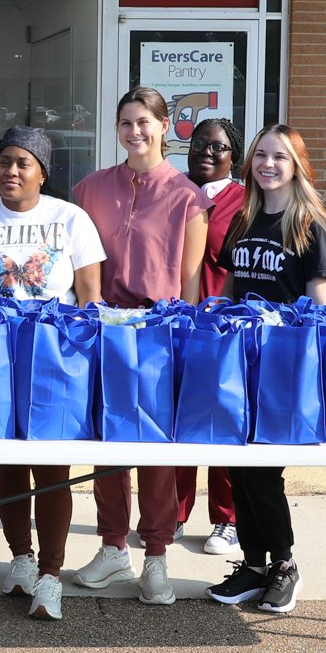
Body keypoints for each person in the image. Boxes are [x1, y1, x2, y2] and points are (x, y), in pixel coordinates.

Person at [0, 126, 105, 620]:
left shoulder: (71, 219)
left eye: (22, 163)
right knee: (7, 464)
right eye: (3, 162)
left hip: (55, 362)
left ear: (43, 172)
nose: (10, 171)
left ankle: (52, 577)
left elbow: (92, 300)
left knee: (52, 468)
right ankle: (20, 559)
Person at [72, 86, 211, 605]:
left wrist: (186, 343)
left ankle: (156, 556)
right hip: (104, 333)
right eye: (126, 122)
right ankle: (113, 548)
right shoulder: (88, 189)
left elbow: (191, 281)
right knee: (109, 447)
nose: (135, 132)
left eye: (144, 122)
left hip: (160, 335)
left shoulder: (188, 196)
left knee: (155, 453)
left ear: (163, 126)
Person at [207, 125, 326, 613]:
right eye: (261, 155)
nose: (268, 164)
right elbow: (229, 288)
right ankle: (254, 564)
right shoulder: (243, 219)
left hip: (283, 364)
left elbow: (318, 302)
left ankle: (284, 565)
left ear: (296, 165)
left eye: (279, 157)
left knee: (262, 471)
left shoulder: (309, 227)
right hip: (238, 360)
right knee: (238, 467)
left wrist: (319, 369)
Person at [175, 118, 246, 554]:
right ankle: (173, 514)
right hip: (177, 325)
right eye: (198, 142)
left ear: (232, 155)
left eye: (217, 146)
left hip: (222, 328)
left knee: (221, 421)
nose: (206, 151)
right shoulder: (174, 193)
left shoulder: (244, 201)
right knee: (179, 422)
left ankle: (226, 519)